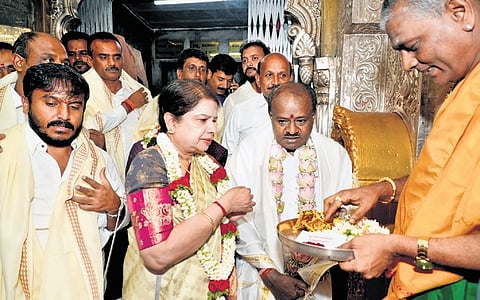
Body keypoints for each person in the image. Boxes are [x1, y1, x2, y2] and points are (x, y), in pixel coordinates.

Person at [322, 0, 480, 298]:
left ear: (461, 13)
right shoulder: (465, 88)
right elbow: (451, 183)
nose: (407, 64)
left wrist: (398, 247)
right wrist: (384, 189)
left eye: (413, 46)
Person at [0, 63, 127, 299]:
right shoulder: (5, 152)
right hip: (21, 286)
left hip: (83, 283)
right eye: (50, 103)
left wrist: (114, 207)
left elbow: (120, 220)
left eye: (75, 106)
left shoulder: (97, 159)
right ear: (26, 104)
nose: (64, 115)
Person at [122, 79, 256, 299]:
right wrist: (224, 206)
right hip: (163, 290)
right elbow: (157, 256)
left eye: (214, 120)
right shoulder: (149, 164)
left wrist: (228, 217)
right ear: (171, 122)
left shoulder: (206, 163)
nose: (212, 129)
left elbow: (201, 218)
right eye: (202, 120)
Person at [227, 82, 353, 299]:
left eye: (302, 121)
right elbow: (237, 218)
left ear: (314, 116)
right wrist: (268, 271)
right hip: (260, 274)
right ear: (270, 116)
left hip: (316, 277)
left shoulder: (335, 155)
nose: (292, 130)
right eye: (282, 121)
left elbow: (344, 219)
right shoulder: (247, 152)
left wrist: (314, 267)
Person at [82, 31, 158, 180]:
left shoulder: (139, 92)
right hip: (103, 175)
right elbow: (89, 130)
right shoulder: (81, 92)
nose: (112, 63)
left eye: (116, 57)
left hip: (141, 171)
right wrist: (129, 105)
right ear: (90, 61)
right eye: (103, 57)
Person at [222, 52, 292, 155]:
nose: (276, 82)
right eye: (269, 75)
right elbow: (228, 154)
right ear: (258, 79)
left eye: (282, 75)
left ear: (290, 79)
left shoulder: (301, 112)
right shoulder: (240, 111)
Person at [0, 31, 68, 131]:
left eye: (64, 64)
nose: (60, 70)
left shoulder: (71, 106)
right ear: (18, 62)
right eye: (49, 60)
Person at [223, 40, 270, 121]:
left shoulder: (278, 94)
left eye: (254, 58)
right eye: (244, 60)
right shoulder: (234, 100)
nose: (248, 64)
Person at [206, 53, 237, 142]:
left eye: (229, 81)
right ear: (209, 74)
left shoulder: (230, 99)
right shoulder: (198, 98)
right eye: (220, 79)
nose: (225, 85)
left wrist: (237, 97)